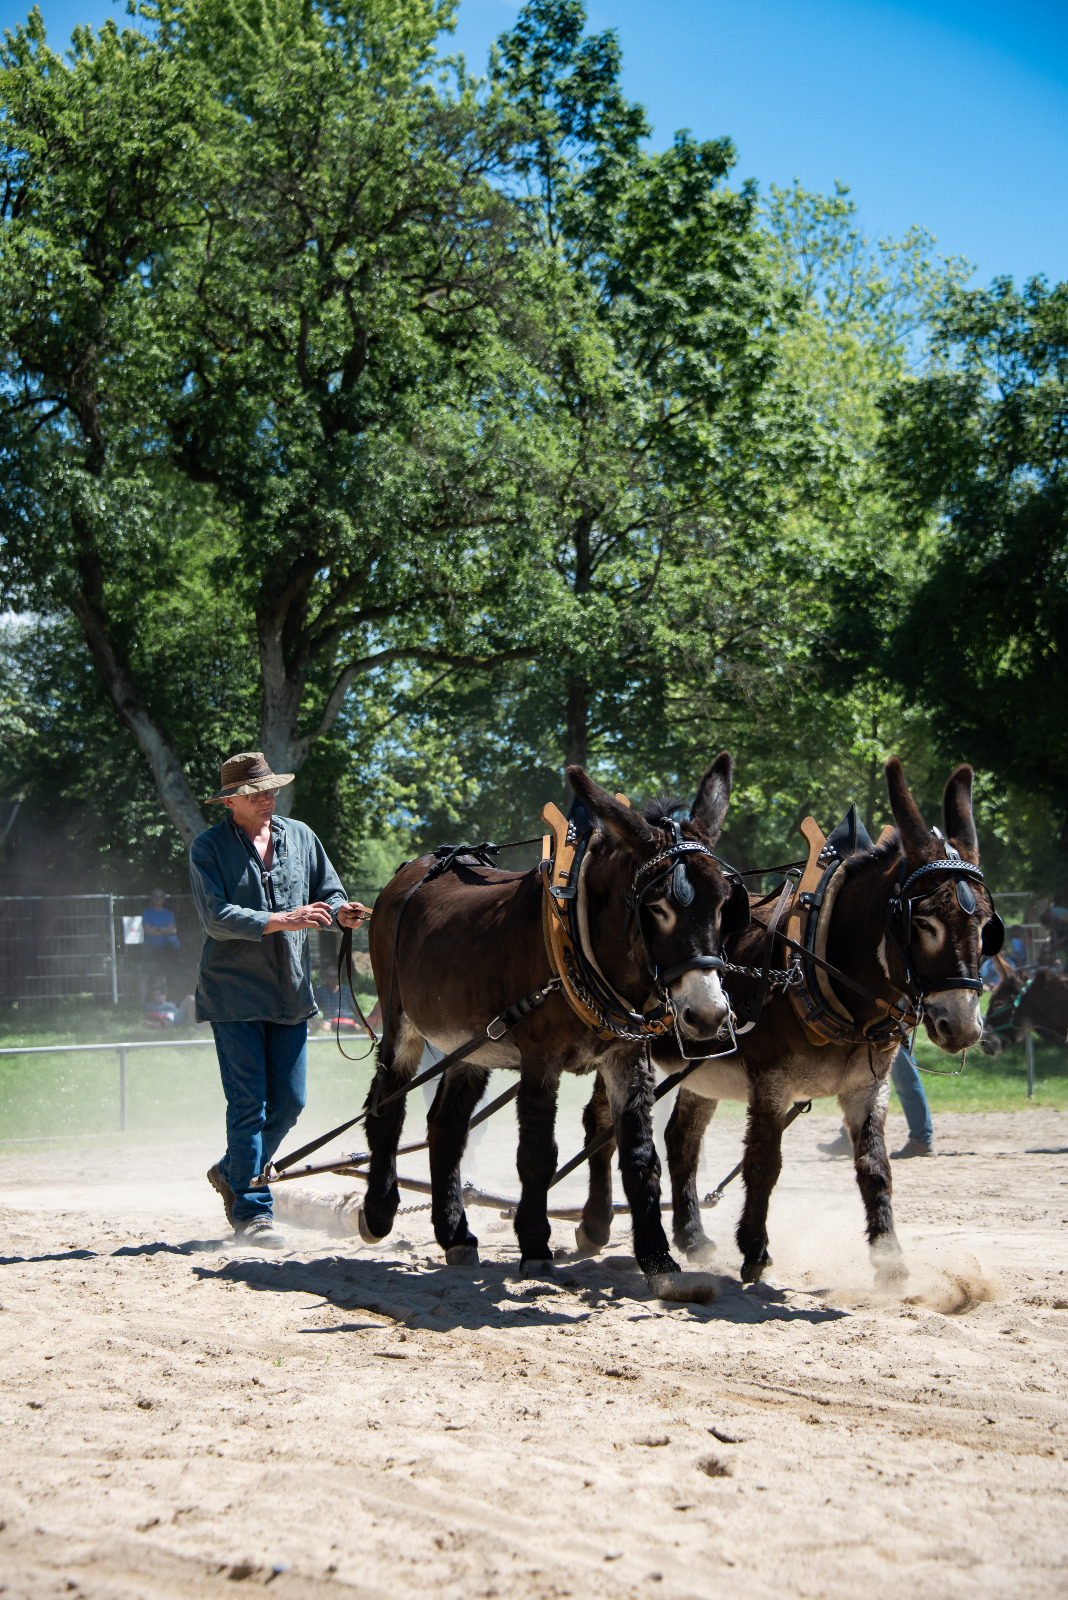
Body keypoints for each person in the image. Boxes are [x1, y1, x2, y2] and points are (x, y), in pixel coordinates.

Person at [190, 750, 369, 1248]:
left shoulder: (302, 837)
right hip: (233, 996)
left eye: (270, 790)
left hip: (291, 992)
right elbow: (215, 918)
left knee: (290, 1102)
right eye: (255, 793)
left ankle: (232, 1170)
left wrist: (341, 912)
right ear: (231, 801)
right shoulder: (207, 847)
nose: (267, 798)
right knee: (249, 1104)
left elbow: (329, 892)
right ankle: (252, 1213)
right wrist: (283, 919)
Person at [817, 1044, 934, 1159]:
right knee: (864, 1075)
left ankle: (921, 1139)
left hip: (891, 1032)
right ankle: (851, 1137)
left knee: (903, 1077)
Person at [139, 887, 180, 1000]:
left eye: (161, 896)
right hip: (149, 948)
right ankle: (141, 1002)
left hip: (163, 948)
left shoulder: (169, 914)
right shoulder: (147, 913)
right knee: (144, 975)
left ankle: (157, 1000)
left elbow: (173, 930)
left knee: (159, 975)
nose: (158, 899)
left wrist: (156, 929)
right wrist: (164, 930)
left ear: (164, 899)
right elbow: (148, 931)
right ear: (152, 898)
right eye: (155, 896)